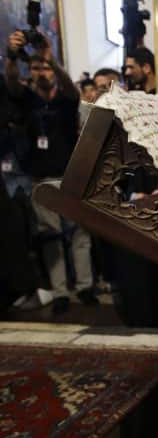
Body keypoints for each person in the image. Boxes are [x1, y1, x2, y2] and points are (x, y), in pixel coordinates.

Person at [6, 30, 94, 314]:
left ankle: (85, 285)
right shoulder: (27, 99)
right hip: (41, 177)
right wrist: (11, 56)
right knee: (51, 235)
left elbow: (72, 89)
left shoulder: (65, 100)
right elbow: (10, 82)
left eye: (44, 67)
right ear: (29, 72)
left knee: (80, 234)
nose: (42, 73)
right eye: (36, 68)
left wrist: (51, 59)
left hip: (71, 175)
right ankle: (60, 291)